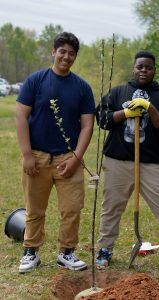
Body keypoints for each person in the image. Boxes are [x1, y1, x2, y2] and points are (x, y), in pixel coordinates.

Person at [95, 50, 159, 268]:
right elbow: (101, 119)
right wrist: (125, 114)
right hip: (118, 161)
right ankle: (105, 249)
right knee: (112, 206)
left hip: (151, 163)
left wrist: (150, 108)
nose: (143, 70)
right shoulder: (119, 92)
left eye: (148, 67)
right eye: (140, 66)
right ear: (134, 68)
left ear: (154, 70)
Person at [15, 32, 95, 273]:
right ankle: (31, 251)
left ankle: (67, 253)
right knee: (35, 208)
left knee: (71, 208)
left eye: (71, 53)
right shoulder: (36, 81)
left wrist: (76, 158)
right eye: (62, 51)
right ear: (53, 52)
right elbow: (20, 115)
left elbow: (87, 125)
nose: (66, 57)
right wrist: (27, 154)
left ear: (75, 57)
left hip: (67, 158)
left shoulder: (82, 87)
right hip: (37, 158)